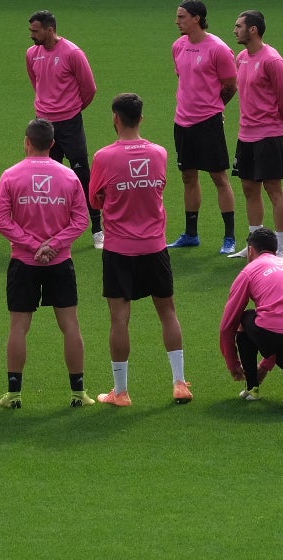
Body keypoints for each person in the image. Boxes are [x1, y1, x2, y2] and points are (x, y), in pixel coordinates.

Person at [87, 92, 190, 406]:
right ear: (141, 118)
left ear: (115, 118)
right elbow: (158, 189)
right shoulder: (159, 153)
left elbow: (94, 199)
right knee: (168, 312)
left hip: (119, 249)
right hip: (155, 246)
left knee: (120, 320)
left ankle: (121, 392)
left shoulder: (104, 157)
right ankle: (179, 383)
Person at [0, 119, 93, 409]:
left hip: (23, 262)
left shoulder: (11, 175)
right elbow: (81, 220)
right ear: (52, 144)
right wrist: (53, 245)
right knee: (70, 326)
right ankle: (78, 393)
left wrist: (34, 246)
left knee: (18, 327)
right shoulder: (69, 177)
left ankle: (13, 394)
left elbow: (2, 221)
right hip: (60, 262)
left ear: (26, 142)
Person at [218, 227, 283, 414]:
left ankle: (252, 387)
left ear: (251, 251)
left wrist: (234, 364)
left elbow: (227, 325)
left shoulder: (250, 270)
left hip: (271, 332)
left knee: (244, 316)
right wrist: (265, 366)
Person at [169, 0, 240, 254]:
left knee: (219, 177)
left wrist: (216, 107)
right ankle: (191, 234)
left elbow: (231, 85)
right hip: (182, 121)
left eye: (181, 17)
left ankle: (229, 237)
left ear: (196, 18)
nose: (177, 22)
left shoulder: (218, 49)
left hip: (208, 123)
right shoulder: (178, 46)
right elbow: (184, 79)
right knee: (188, 176)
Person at [26, 10, 100, 247]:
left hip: (69, 124)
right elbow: (36, 83)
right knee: (48, 177)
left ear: (49, 30)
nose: (32, 35)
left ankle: (97, 228)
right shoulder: (32, 54)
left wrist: (70, 109)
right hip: (43, 125)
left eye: (35, 31)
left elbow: (89, 88)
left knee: (82, 174)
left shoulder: (72, 53)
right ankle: (50, 229)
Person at [231, 9, 283, 259]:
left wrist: (279, 125)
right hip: (245, 134)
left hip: (268, 135)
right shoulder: (241, 57)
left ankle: (280, 248)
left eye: (239, 26)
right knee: (249, 187)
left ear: (253, 30)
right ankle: (254, 246)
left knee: (273, 189)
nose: (235, 30)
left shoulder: (272, 60)